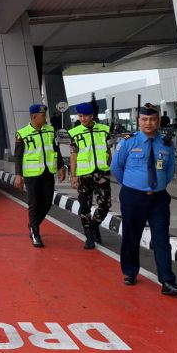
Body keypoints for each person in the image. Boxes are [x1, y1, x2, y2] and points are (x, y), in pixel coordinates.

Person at [110, 106, 177, 296]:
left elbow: (168, 171)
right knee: (131, 236)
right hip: (133, 197)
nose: (148, 123)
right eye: (144, 120)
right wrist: (133, 185)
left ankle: (167, 281)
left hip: (158, 199)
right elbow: (117, 168)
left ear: (158, 121)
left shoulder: (166, 144)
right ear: (138, 121)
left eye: (152, 120)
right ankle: (130, 272)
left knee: (161, 239)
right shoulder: (128, 142)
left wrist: (155, 187)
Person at [13, 103, 66, 248]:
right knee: (34, 203)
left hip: (48, 171)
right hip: (31, 174)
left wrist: (61, 166)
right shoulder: (22, 133)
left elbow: (56, 149)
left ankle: (32, 224)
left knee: (47, 202)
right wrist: (18, 175)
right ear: (34, 117)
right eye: (43, 115)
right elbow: (17, 156)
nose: (45, 118)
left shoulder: (50, 130)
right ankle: (35, 232)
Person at [67, 103, 111, 249]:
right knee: (84, 206)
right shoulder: (74, 133)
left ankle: (93, 225)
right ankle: (89, 236)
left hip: (101, 174)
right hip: (84, 175)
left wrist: (109, 166)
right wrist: (73, 176)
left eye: (85, 116)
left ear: (92, 115)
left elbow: (109, 152)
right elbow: (73, 156)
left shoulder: (104, 130)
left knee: (105, 205)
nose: (83, 118)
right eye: (80, 116)